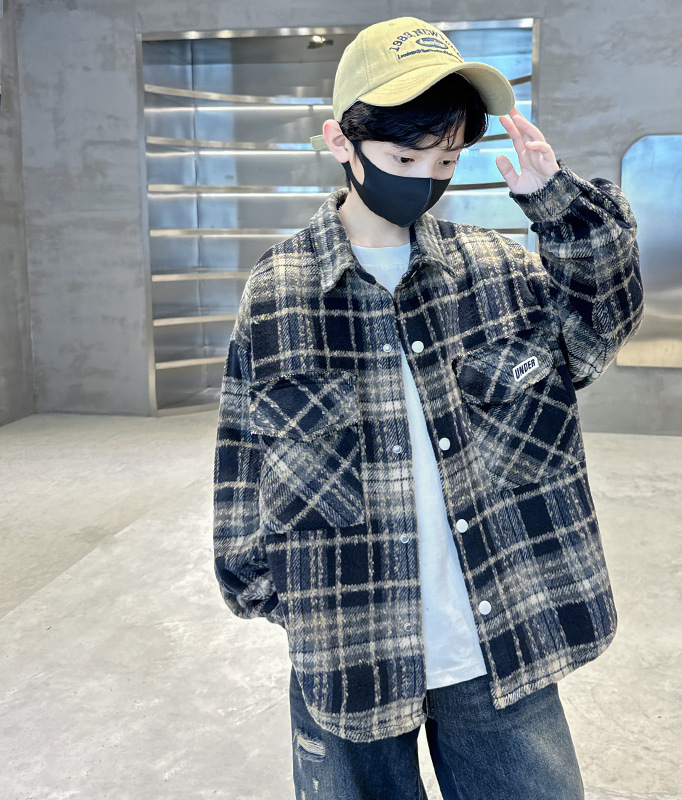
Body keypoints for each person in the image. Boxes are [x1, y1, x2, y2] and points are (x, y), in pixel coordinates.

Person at [212, 16, 643, 800]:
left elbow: (599, 325)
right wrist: (277, 595)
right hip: (350, 646)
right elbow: (245, 449)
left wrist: (560, 208)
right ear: (341, 142)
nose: (427, 179)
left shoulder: (498, 272)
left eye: (446, 160)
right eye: (406, 158)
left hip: (498, 638)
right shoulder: (279, 293)